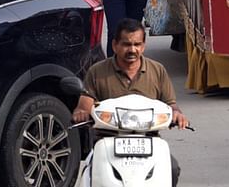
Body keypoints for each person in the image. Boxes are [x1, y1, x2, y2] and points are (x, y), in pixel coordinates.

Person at [72, 19, 189, 185]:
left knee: (172, 168)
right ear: (115, 45)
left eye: (137, 44)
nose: (132, 50)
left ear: (143, 46)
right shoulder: (97, 71)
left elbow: (171, 104)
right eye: (126, 44)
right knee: (90, 175)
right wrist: (81, 113)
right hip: (107, 141)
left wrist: (177, 114)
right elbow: (85, 104)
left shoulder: (157, 71)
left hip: (149, 140)